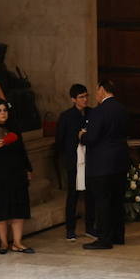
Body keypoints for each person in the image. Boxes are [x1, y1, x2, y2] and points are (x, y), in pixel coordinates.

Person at [0, 101, 35, 254]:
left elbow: (22, 150)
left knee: (18, 208)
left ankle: (17, 242)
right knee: (1, 209)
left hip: (16, 174)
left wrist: (28, 168)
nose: (3, 113)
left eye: (5, 110)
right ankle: (3, 243)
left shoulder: (14, 128)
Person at [81, 79, 128, 250]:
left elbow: (92, 137)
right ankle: (118, 236)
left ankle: (104, 239)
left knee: (102, 202)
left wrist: (82, 136)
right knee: (117, 200)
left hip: (101, 165)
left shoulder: (98, 111)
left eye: (96, 90)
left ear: (102, 90)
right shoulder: (122, 109)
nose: (95, 94)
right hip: (120, 162)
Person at [54, 83, 94, 241]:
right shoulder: (66, 116)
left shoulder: (92, 113)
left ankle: (90, 227)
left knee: (90, 195)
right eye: (81, 97)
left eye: (86, 96)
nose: (85, 99)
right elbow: (59, 141)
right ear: (73, 99)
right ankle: (70, 229)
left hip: (90, 159)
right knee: (73, 195)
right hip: (74, 160)